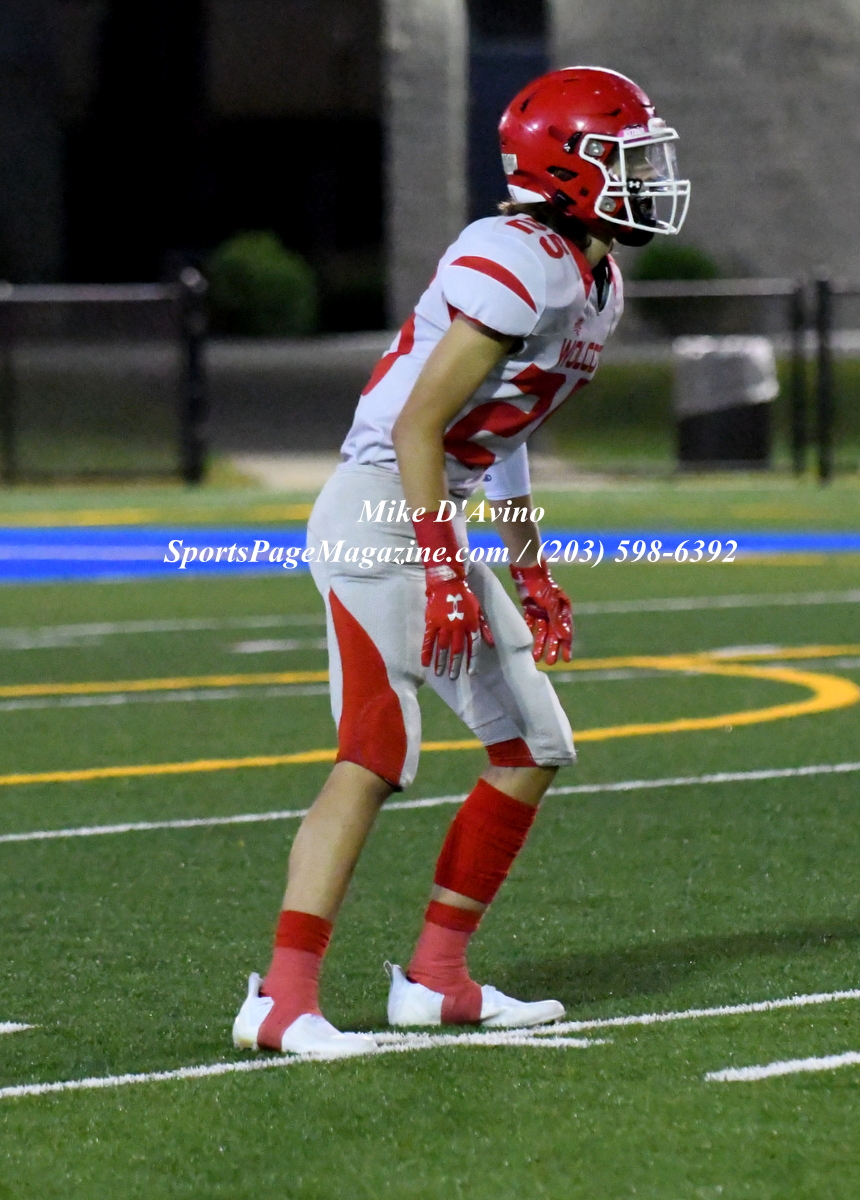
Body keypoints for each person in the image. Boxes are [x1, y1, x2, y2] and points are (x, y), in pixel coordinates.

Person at [232, 65, 690, 1057]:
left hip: (430, 511)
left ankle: (437, 980)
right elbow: (416, 426)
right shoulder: (514, 257)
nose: (644, 179)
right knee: (374, 751)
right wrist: (446, 569)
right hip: (378, 513)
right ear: (563, 166)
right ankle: (281, 1000)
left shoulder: (594, 279)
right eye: (623, 160)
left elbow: (503, 430)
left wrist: (529, 566)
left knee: (533, 743)